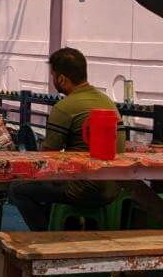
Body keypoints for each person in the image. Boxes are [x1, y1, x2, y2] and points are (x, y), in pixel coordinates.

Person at [8, 47, 119, 231]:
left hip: (85, 189)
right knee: (52, 185)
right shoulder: (108, 102)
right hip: (114, 187)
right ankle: (66, 227)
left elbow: (47, 159)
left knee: (17, 188)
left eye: (53, 76)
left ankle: (47, 236)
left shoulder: (64, 107)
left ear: (61, 79)